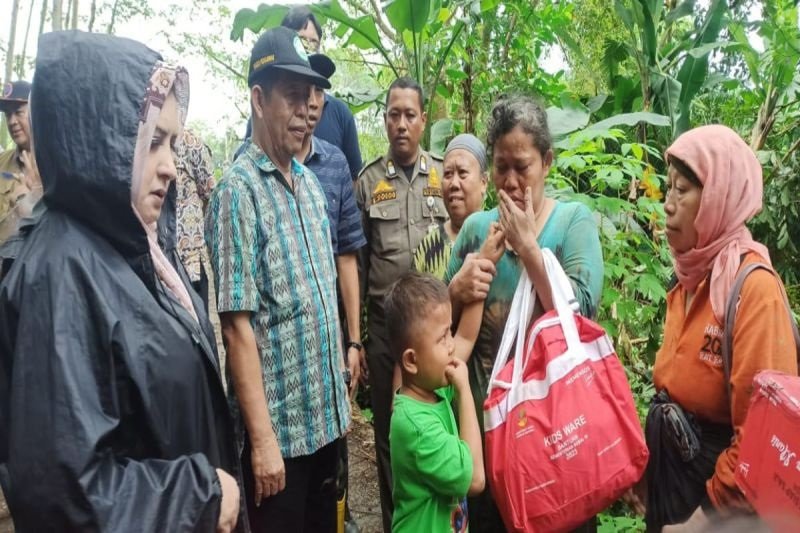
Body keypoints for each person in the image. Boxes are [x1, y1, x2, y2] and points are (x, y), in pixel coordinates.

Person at [0, 31, 240, 532]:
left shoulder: (132, 244)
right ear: (99, 141)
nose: (171, 166)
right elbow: (63, 495)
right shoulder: (59, 272)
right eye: (153, 142)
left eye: (173, 142)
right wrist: (201, 496)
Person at [206, 27, 350, 532]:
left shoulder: (310, 185)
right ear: (259, 99)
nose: (306, 110)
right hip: (281, 444)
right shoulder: (236, 193)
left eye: (309, 96)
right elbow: (236, 328)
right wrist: (263, 442)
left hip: (327, 425)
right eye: (291, 96)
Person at [445, 94, 604, 532]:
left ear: (547, 162)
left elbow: (581, 311)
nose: (511, 182)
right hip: (488, 443)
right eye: (501, 167)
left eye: (523, 167)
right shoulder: (478, 228)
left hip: (559, 439)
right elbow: (434, 322)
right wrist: (456, 291)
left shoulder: (573, 222)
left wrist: (530, 247)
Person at [639, 125, 799, 532]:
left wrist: (701, 521)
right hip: (673, 496)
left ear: (718, 199)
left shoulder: (752, 291)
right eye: (668, 188)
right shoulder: (688, 282)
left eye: (683, 190)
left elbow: (762, 437)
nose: (668, 205)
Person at [355, 76, 446, 532]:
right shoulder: (368, 181)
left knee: (437, 426)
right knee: (391, 436)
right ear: (385, 119)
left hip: (435, 333)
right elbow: (358, 264)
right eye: (394, 114)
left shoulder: (443, 175)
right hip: (387, 335)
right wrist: (358, 340)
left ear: (423, 120)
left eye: (411, 114)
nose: (402, 124)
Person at [388, 225, 504, 533]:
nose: (451, 345)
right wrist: (464, 389)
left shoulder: (430, 388)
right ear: (411, 360)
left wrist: (485, 265)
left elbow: (465, 335)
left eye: (447, 332)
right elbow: (476, 478)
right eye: (442, 338)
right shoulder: (416, 427)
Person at [295, 50, 366, 532]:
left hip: (330, 328)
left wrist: (354, 338)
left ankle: (338, 517)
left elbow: (347, 255)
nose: (312, 102)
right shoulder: (252, 170)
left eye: (320, 91)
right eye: (303, 91)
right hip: (284, 342)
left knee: (333, 449)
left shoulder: (336, 164)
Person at [282, 6, 362, 179]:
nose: (308, 48)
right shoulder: (268, 114)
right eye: (302, 40)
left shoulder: (341, 114)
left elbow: (355, 180)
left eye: (314, 42)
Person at [413, 133, 488, 279]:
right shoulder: (428, 246)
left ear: (484, 182)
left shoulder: (497, 237)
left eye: (463, 173)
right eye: (448, 174)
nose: (454, 184)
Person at [175, 129, 215, 306]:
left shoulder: (191, 143)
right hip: (160, 260)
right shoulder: (141, 137)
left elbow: (211, 196)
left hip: (191, 262)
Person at [0, 80, 40, 244]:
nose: (12, 121)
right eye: (8, 114)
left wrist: (33, 196)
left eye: (18, 112)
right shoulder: (2, 163)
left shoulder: (53, 165)